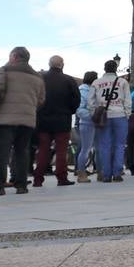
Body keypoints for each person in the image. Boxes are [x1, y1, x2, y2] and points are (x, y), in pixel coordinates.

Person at [0, 47, 45, 196]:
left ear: (13, 56)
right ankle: (21, 185)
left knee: (2, 152)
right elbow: (41, 100)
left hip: (4, 119)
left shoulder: (5, 71)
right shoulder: (38, 77)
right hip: (27, 120)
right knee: (22, 151)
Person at [33, 55, 82, 187]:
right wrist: (68, 111)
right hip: (62, 120)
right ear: (62, 64)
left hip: (43, 120)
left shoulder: (40, 79)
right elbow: (76, 100)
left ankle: (38, 179)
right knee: (61, 150)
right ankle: (62, 178)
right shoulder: (69, 80)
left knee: (43, 150)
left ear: (49, 64)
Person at [90, 60, 131, 182]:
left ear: (104, 69)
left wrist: (94, 113)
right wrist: (127, 114)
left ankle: (106, 174)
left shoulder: (96, 83)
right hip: (120, 115)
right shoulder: (123, 82)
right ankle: (117, 172)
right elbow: (128, 100)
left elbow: (90, 101)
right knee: (119, 145)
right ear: (116, 69)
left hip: (104, 116)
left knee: (105, 145)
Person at [74, 71, 98, 183]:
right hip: (88, 122)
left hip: (91, 122)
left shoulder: (84, 90)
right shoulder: (84, 91)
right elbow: (80, 109)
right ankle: (81, 173)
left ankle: (98, 171)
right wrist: (92, 116)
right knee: (86, 149)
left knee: (93, 148)